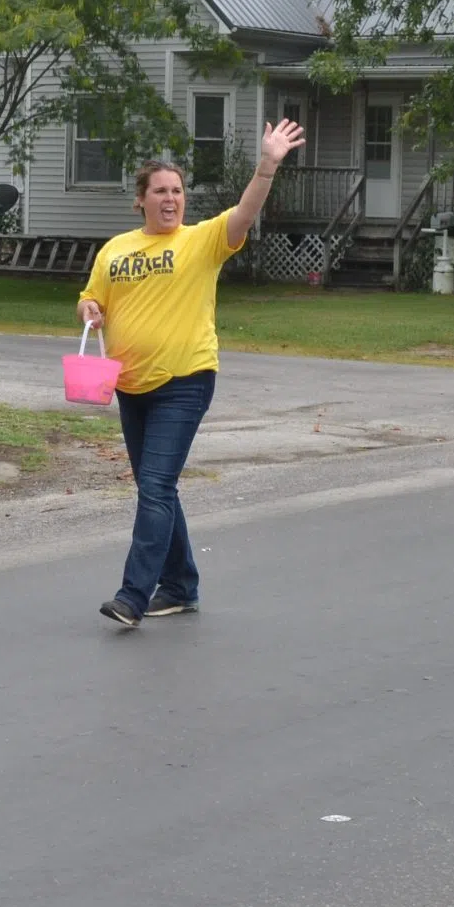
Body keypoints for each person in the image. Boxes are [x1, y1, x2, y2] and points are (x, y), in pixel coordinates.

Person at [77, 118, 305, 629]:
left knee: (156, 486)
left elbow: (245, 213)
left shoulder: (200, 241)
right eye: (160, 191)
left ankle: (133, 596)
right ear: (141, 199)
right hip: (130, 385)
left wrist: (267, 166)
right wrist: (89, 308)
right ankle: (180, 587)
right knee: (155, 487)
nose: (171, 199)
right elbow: (92, 297)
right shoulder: (115, 250)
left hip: (185, 381)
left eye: (177, 191)